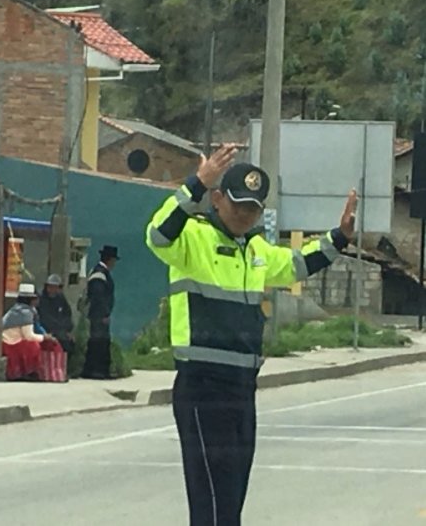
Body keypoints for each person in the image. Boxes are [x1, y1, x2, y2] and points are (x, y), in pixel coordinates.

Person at [146, 145, 357, 526]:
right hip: (203, 388)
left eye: (253, 207)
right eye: (238, 204)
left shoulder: (256, 250)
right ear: (217, 199)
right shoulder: (192, 238)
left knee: (232, 501)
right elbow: (158, 235)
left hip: (242, 389)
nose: (245, 214)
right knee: (211, 502)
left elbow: (297, 264)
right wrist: (196, 183)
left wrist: (338, 238)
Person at [0, 283, 53, 381]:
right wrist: (44, 338)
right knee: (32, 346)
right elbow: (29, 336)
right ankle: (28, 372)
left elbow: (37, 327)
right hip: (6, 343)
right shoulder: (25, 313)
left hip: (9, 341)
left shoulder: (20, 310)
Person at [82, 245, 119, 380]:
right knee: (99, 341)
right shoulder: (99, 274)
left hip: (100, 314)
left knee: (100, 341)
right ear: (110, 260)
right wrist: (104, 314)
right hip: (98, 315)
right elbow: (98, 297)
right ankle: (97, 370)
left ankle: (98, 370)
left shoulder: (101, 272)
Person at [39, 274, 75, 355]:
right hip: (47, 330)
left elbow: (67, 314)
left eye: (55, 287)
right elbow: (44, 317)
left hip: (61, 330)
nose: (53, 290)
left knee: (69, 344)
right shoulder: (42, 300)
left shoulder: (61, 298)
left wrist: (67, 329)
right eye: (50, 287)